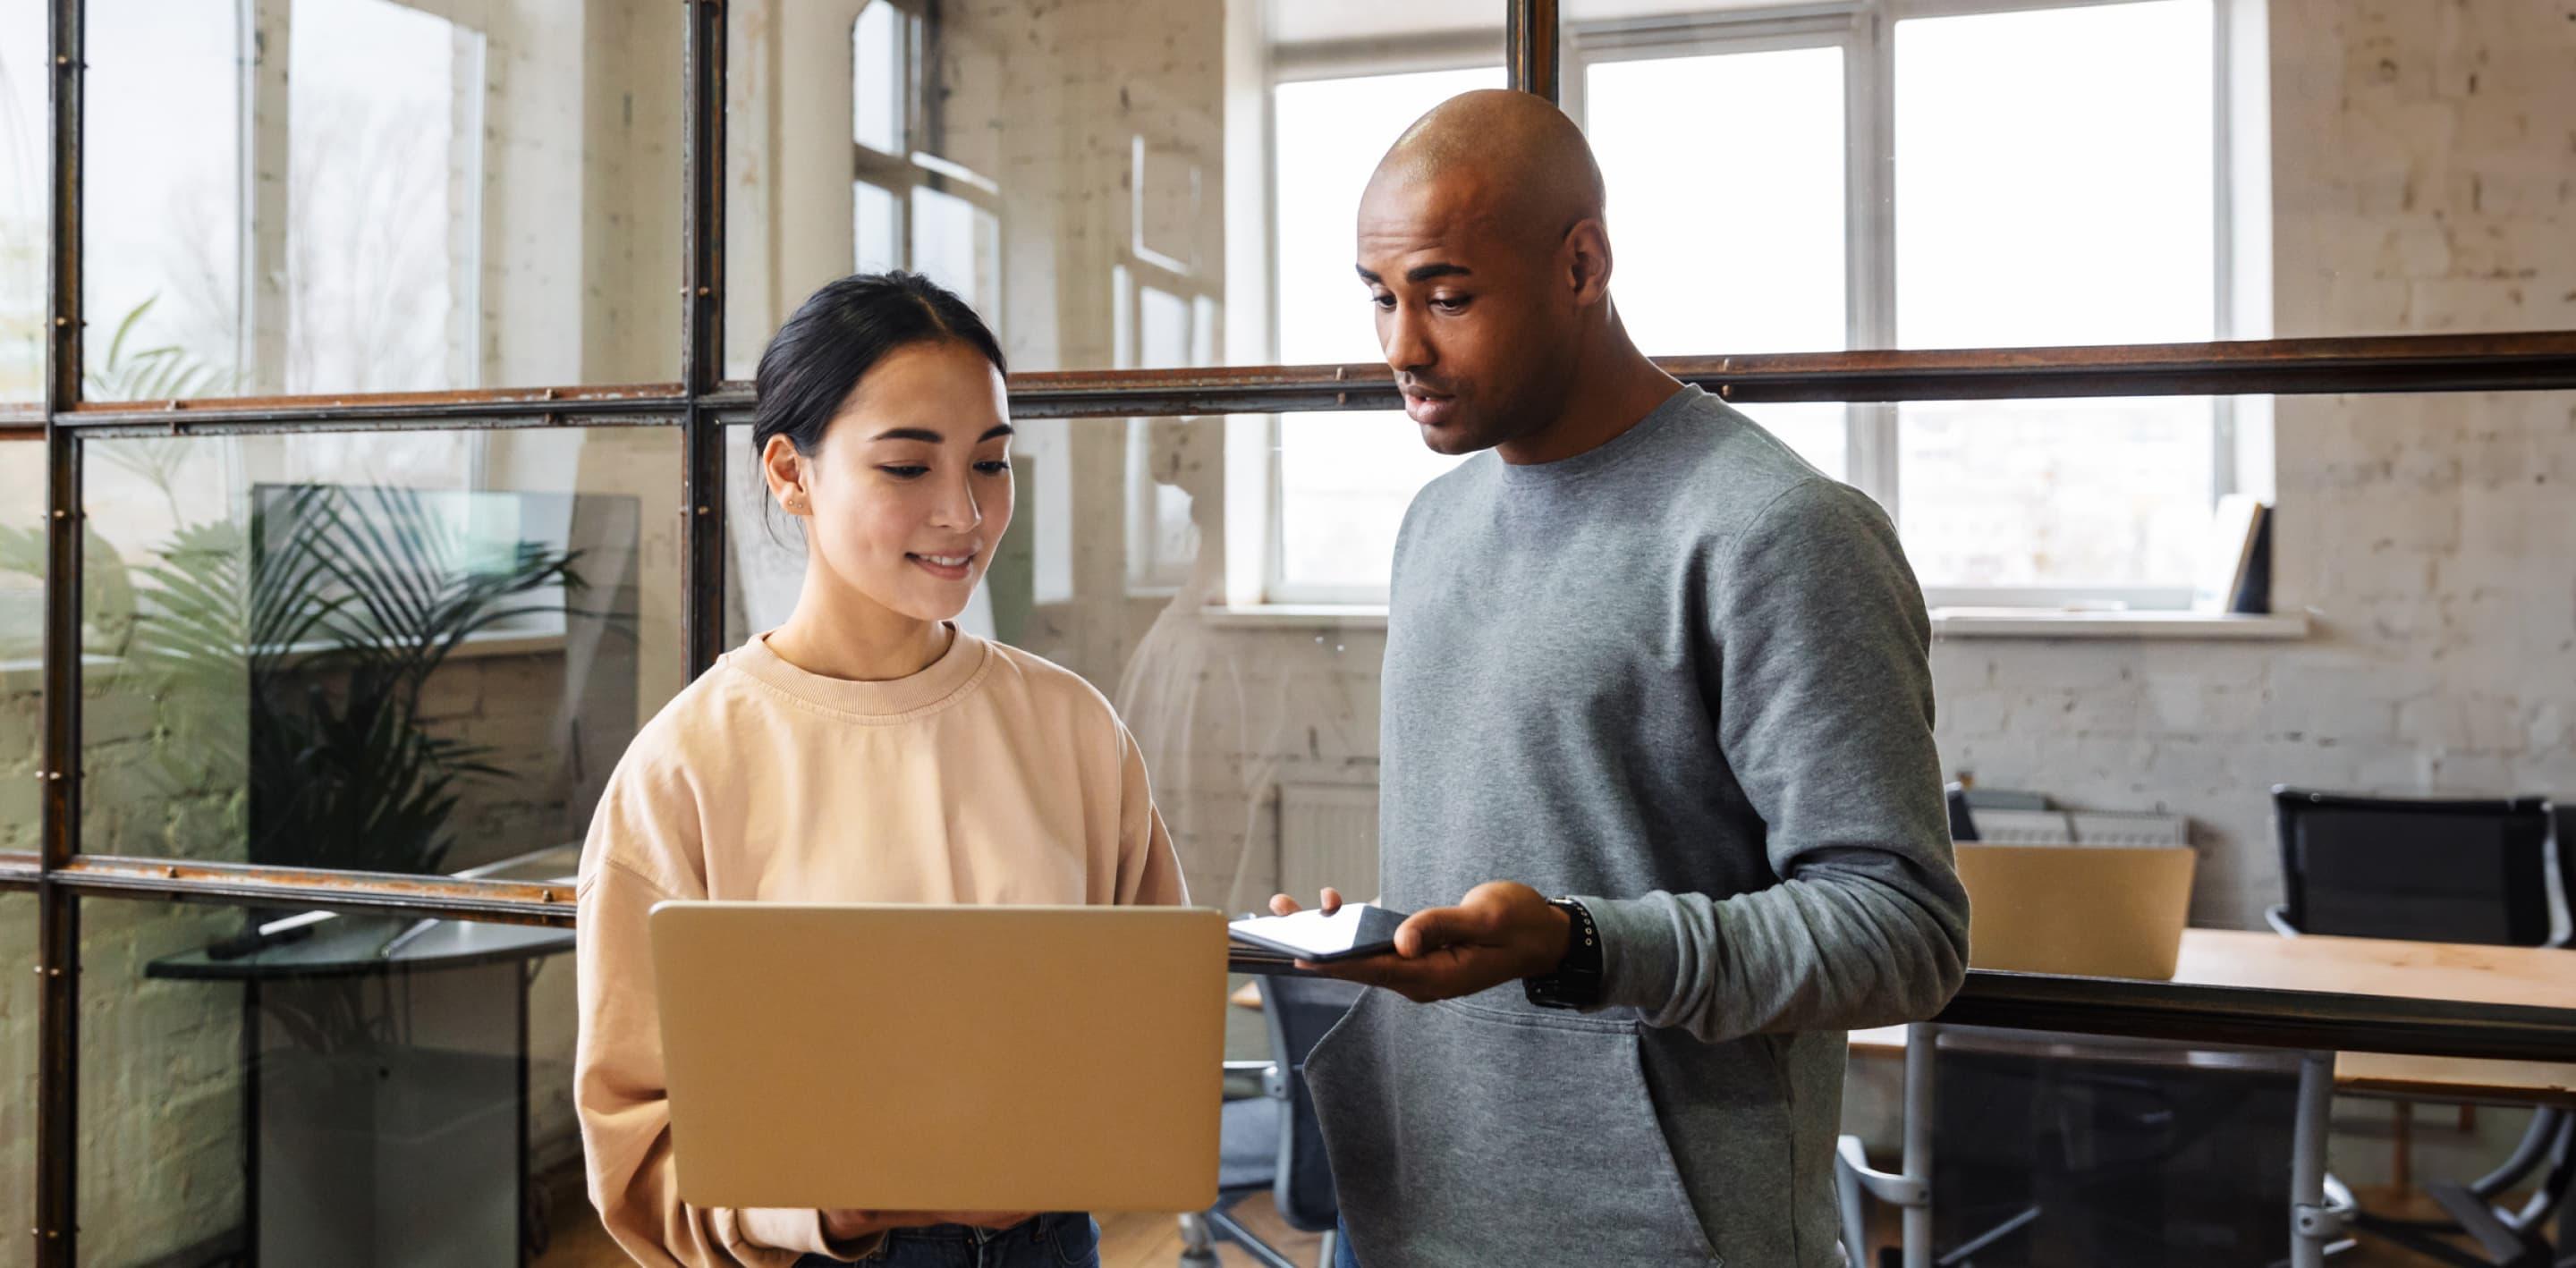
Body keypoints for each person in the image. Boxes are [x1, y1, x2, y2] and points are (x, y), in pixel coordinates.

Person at [1272, 90, 1972, 1266]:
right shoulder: (1434, 526)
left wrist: (1581, 945)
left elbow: (1901, 930)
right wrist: (1379, 938)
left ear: (1581, 263)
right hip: (1402, 1218)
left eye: (1447, 294)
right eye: (1381, 296)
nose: (1401, 345)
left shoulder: (1774, 532)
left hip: (1658, 1239)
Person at [572, 272, 1186, 1268]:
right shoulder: (685, 768)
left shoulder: (1074, 728)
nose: (965, 512)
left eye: (991, 464)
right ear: (790, 472)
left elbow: (1151, 1029)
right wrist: (828, 1206)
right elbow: (634, 1145)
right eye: (907, 467)